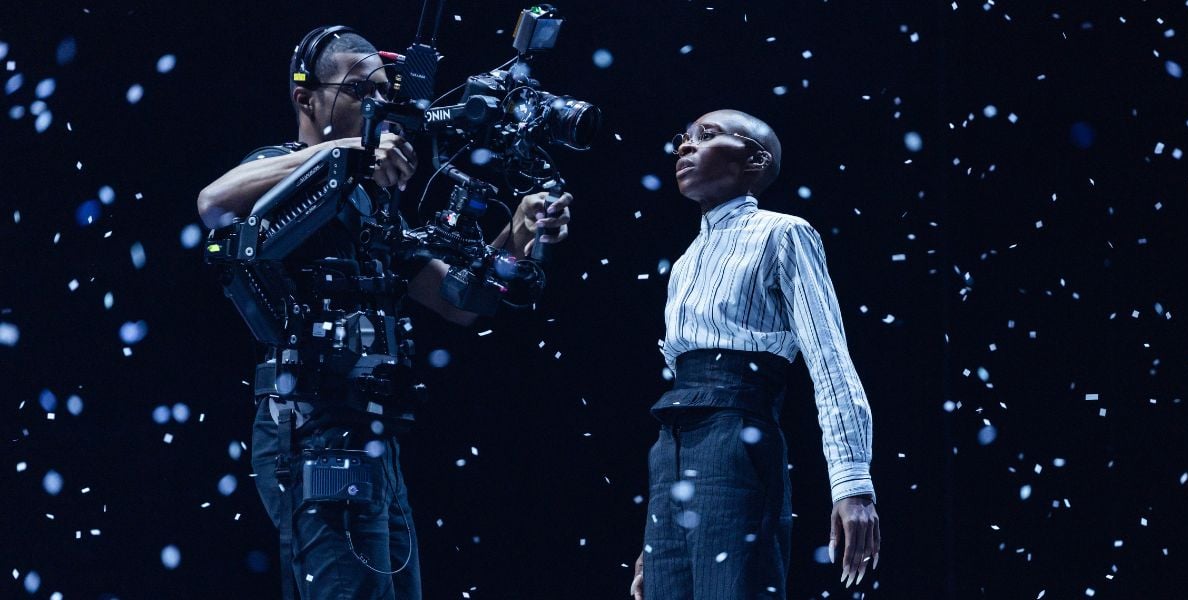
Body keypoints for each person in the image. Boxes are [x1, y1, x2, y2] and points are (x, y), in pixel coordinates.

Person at [196, 26, 572, 600]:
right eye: (358, 91)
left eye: (383, 92)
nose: (377, 105)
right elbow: (213, 203)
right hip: (311, 423)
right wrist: (343, 150)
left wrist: (517, 237)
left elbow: (459, 304)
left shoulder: (375, 208)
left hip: (373, 432)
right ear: (306, 98)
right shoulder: (286, 166)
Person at [629, 109, 879, 599]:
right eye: (683, 138)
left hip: (736, 435)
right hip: (671, 443)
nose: (684, 146)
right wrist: (654, 543)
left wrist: (853, 482)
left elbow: (829, 358)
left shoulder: (783, 232)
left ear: (754, 160)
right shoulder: (682, 263)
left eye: (707, 136)